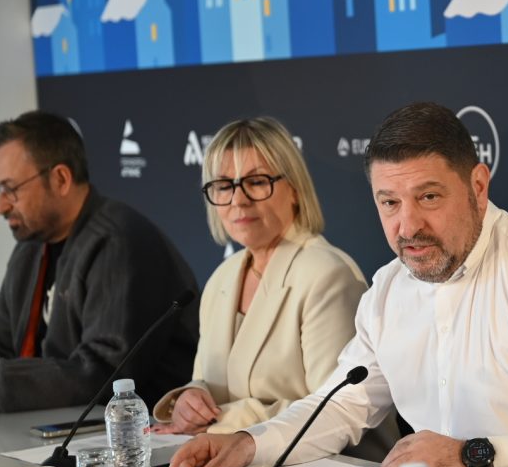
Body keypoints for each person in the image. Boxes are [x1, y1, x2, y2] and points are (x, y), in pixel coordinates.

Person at [169, 102, 508, 467]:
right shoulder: (388, 289)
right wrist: (249, 444)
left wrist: (473, 457)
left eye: (429, 197)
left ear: (478, 186)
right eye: (389, 203)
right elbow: (342, 404)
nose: (407, 225)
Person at [151, 117, 369, 436]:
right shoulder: (222, 277)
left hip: (328, 465)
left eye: (256, 182)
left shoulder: (327, 275)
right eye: (224, 186)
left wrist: (219, 420)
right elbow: (208, 381)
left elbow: (334, 413)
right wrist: (190, 399)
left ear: (294, 189)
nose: (238, 200)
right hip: (236, 460)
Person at [0, 111, 200, 411]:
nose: (0, 206)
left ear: (60, 179)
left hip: (137, 431)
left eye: (11, 189)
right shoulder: (31, 247)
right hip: (50, 426)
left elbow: (102, 375)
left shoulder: (118, 242)